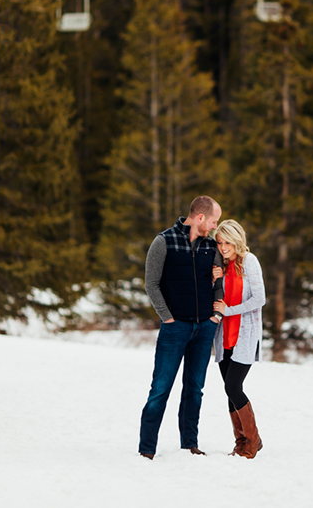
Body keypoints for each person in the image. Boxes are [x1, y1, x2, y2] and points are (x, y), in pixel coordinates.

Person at [138, 195, 223, 460]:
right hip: (175, 329)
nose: (214, 226)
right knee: (160, 389)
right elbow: (151, 283)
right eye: (212, 221)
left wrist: (214, 317)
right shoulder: (163, 241)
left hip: (204, 328)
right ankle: (147, 449)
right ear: (200, 217)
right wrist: (167, 317)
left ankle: (190, 443)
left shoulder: (212, 246)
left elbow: (219, 282)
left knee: (194, 389)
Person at [212, 219, 266, 458]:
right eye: (220, 242)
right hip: (224, 335)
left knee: (233, 386)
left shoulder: (249, 262)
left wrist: (229, 311)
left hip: (244, 333)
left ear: (237, 241)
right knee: (229, 389)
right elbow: (214, 297)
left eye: (227, 242)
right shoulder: (220, 265)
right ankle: (240, 441)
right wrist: (214, 280)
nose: (223, 247)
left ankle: (253, 441)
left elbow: (259, 299)